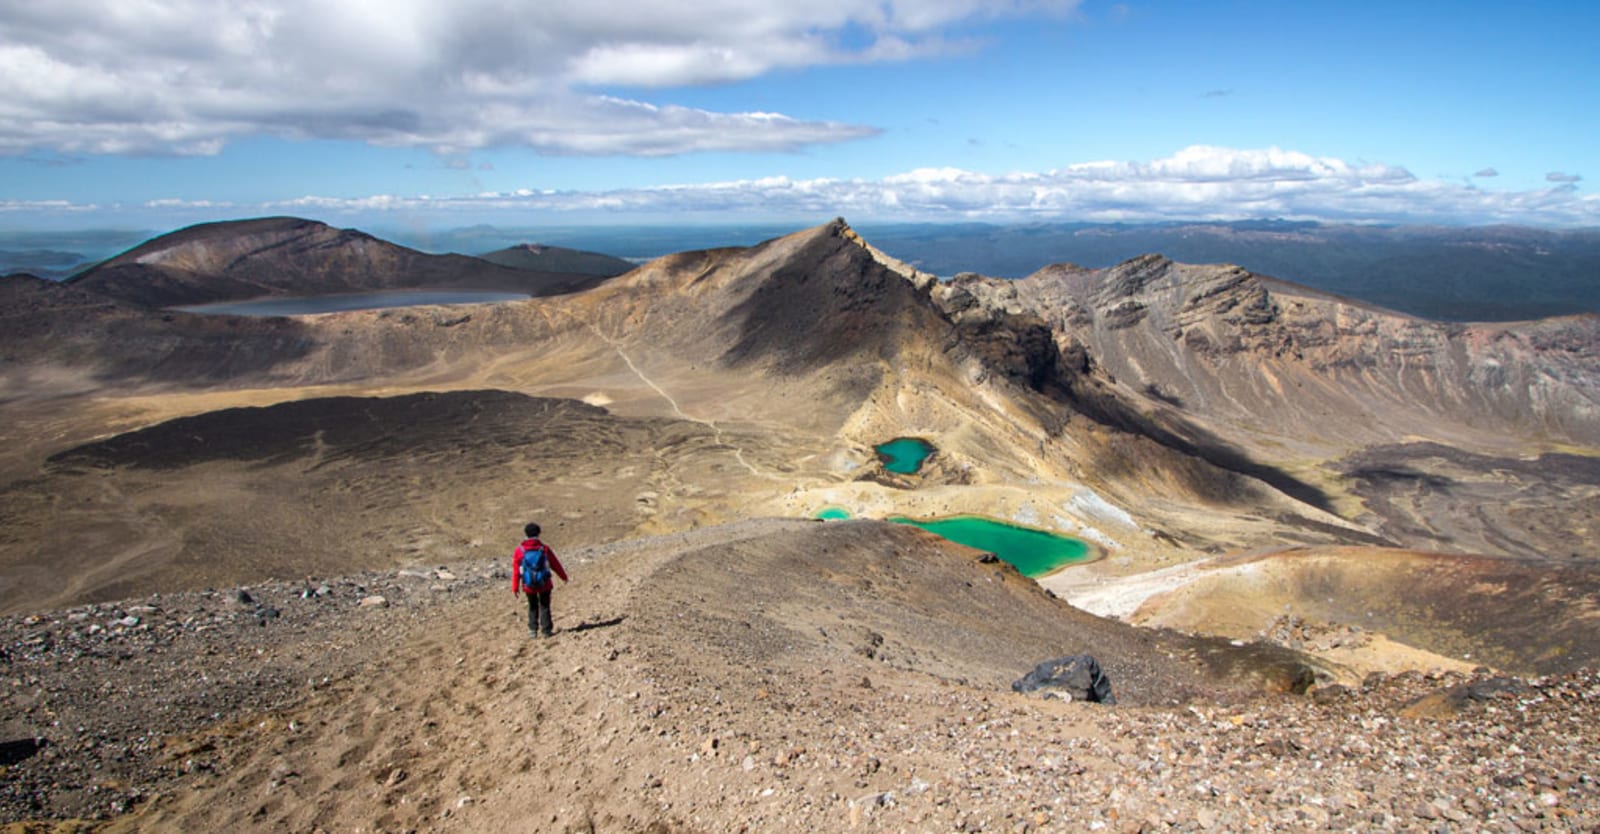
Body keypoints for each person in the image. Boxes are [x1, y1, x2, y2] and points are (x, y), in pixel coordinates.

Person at [512, 522, 568, 638]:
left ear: (525, 534)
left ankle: (532, 630)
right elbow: (555, 564)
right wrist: (563, 577)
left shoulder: (519, 550)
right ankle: (546, 630)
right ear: (538, 533)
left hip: (528, 585)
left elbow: (516, 571)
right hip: (545, 583)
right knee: (545, 605)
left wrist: (515, 587)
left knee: (532, 606)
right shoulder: (544, 549)